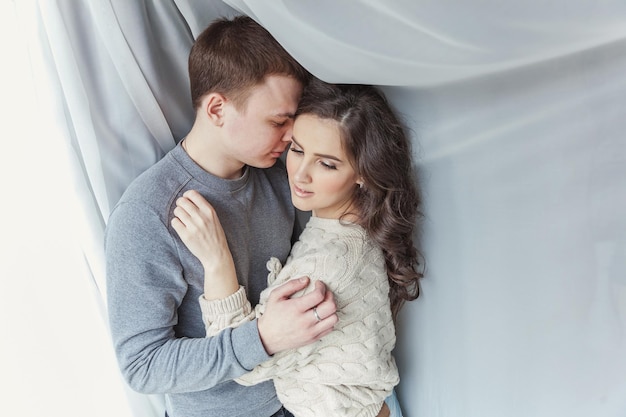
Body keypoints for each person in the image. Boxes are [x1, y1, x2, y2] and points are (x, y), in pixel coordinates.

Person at [104, 16, 338, 417]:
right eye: (278, 121)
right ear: (217, 109)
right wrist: (261, 337)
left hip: (307, 400)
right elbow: (143, 367)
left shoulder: (282, 176)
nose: (290, 137)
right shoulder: (148, 214)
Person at [172, 79, 423, 417]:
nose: (300, 174)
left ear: (363, 173)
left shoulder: (329, 267)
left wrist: (217, 261)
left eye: (327, 163)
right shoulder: (347, 227)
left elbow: (245, 366)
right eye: (298, 149)